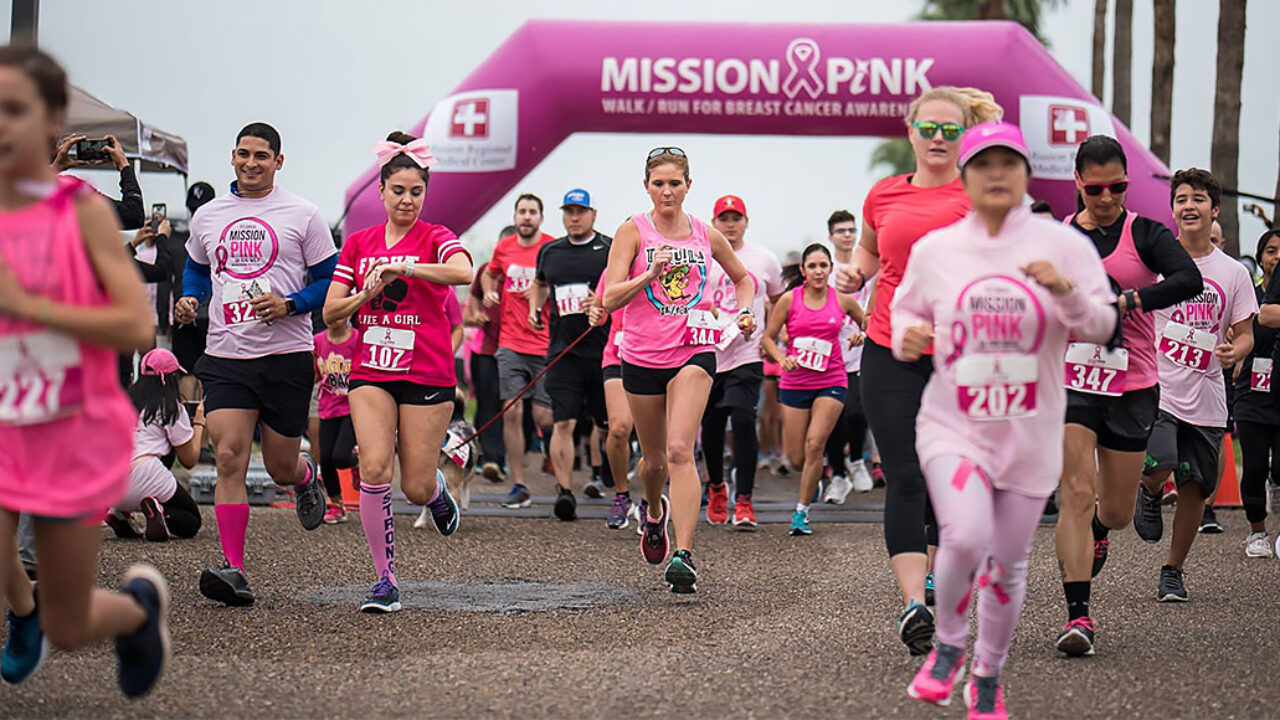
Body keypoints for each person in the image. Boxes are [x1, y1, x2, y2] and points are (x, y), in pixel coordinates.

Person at [896, 122, 1118, 718]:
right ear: (964, 177)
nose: (997, 174)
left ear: (1026, 174)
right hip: (954, 425)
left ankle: (987, 676)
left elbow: (1102, 326)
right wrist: (908, 337)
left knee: (1007, 563)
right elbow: (900, 315)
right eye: (984, 164)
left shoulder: (1063, 244)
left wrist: (1065, 290)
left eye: (1009, 163)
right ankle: (947, 647)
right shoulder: (937, 250)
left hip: (1029, 433)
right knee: (964, 536)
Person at [0, 44, 169, 696]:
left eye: (15, 110)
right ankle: (22, 612)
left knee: (73, 626)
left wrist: (32, 305)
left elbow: (134, 326)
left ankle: (137, 611)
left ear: (51, 124)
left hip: (67, 424)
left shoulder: (81, 212)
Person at [835, 86, 1004, 654]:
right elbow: (870, 252)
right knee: (905, 473)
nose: (937, 138)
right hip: (888, 350)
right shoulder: (883, 193)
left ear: (965, 135)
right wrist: (854, 275)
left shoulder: (980, 194)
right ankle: (914, 605)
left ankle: (943, 574)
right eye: (927, 128)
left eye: (949, 130)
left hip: (960, 357)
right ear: (909, 131)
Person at [175, 121, 337, 606]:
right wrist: (189, 297)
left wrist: (291, 303)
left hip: (286, 355)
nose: (251, 163)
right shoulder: (209, 215)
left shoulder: (303, 214)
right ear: (232, 157)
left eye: (261, 156)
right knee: (228, 457)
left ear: (278, 162)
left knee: (281, 466)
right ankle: (234, 569)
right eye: (243, 154)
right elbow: (196, 267)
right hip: (226, 355)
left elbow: (333, 279)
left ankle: (306, 476)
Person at [1051, 136, 1201, 656]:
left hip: (1133, 383)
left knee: (1111, 510)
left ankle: (1101, 525)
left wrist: (1133, 299)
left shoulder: (1147, 233)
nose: (1108, 197)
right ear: (1078, 183)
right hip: (1072, 380)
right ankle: (1079, 618)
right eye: (1096, 189)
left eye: (1118, 186)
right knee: (1074, 491)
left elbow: (1190, 278)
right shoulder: (1059, 237)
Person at [323, 131, 471, 613]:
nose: (407, 199)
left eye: (416, 191)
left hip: (427, 373)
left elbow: (463, 272)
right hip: (371, 371)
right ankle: (385, 579)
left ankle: (436, 493)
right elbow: (330, 314)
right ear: (382, 192)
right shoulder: (359, 244)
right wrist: (366, 294)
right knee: (373, 466)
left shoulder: (436, 237)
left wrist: (407, 269)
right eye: (398, 190)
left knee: (415, 485)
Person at [601, 147, 756, 594]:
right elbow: (610, 298)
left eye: (675, 183)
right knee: (652, 463)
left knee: (678, 451)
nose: (667, 191)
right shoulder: (632, 231)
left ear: (689, 185)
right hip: (642, 356)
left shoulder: (706, 234)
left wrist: (744, 311)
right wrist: (648, 275)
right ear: (646, 186)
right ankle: (654, 512)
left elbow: (743, 278)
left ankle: (684, 556)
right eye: (658, 183)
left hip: (695, 348)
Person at [1133, 169, 1256, 602]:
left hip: (1207, 393)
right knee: (1160, 460)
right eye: (1181, 198)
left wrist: (1235, 351)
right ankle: (1148, 491)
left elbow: (1245, 333)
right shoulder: (1154, 266)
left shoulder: (1232, 273)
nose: (1189, 205)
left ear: (1214, 209)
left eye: (1198, 198)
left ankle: (1173, 570)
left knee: (1197, 487)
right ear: (1172, 210)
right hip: (1160, 386)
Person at [761, 243, 864, 536]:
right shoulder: (790, 300)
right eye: (813, 266)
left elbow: (868, 320)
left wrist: (861, 334)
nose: (818, 271)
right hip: (795, 382)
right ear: (804, 271)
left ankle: (801, 512)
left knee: (815, 443)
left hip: (832, 379)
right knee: (796, 459)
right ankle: (813, 478)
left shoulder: (842, 300)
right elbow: (768, 338)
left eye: (823, 265)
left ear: (830, 269)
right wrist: (782, 358)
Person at [700, 195, 784, 527]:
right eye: (724, 219)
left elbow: (780, 298)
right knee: (712, 426)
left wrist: (771, 334)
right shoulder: (703, 257)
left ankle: (745, 499)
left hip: (746, 353)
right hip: (708, 351)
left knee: (744, 419)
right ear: (714, 223)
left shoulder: (763, 258)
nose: (730, 225)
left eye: (736, 218)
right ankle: (717, 487)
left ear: (746, 222)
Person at [529, 189, 613, 520]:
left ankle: (602, 472)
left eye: (580, 211)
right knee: (563, 421)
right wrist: (535, 308)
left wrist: (603, 301)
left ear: (593, 213)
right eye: (569, 211)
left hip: (603, 352)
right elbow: (539, 283)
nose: (574, 218)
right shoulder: (550, 251)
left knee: (604, 425)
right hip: (562, 353)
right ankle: (564, 492)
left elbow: (626, 287)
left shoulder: (608, 249)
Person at [482, 196, 555, 508]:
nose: (526, 217)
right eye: (522, 212)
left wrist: (544, 289)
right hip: (510, 342)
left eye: (532, 212)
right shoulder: (505, 247)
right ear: (516, 216)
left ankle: (555, 461)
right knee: (511, 411)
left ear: (541, 217)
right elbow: (490, 272)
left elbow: (567, 283)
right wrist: (488, 289)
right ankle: (518, 484)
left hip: (546, 342)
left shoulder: (552, 247)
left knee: (546, 417)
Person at [105, 349, 205, 542]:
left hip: (110, 478)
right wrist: (199, 423)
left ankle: (118, 512)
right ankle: (157, 509)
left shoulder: (124, 401)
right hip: (146, 472)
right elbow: (189, 460)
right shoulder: (171, 407)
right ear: (172, 377)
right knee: (191, 521)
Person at [823, 209, 875, 501]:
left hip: (863, 352)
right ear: (831, 236)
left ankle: (857, 459)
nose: (847, 235)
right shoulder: (825, 272)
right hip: (831, 354)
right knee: (834, 417)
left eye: (851, 230)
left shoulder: (868, 270)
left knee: (857, 411)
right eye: (841, 230)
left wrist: (866, 330)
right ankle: (838, 475)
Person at [467, 228, 513, 482]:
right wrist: (476, 315)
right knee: (488, 402)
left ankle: (504, 455)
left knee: (513, 408)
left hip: (518, 349)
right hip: (487, 349)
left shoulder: (524, 272)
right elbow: (474, 298)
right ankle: (491, 458)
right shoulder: (487, 269)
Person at [591, 274, 636, 530]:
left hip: (660, 356)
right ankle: (622, 495)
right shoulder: (613, 269)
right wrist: (595, 314)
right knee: (618, 429)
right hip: (617, 355)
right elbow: (601, 307)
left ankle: (652, 502)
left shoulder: (667, 260)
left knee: (655, 439)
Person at [1248, 230, 1280, 556]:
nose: (1276, 257)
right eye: (1271, 251)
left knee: (1279, 468)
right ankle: (1257, 534)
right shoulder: (1250, 294)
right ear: (1260, 257)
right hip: (1251, 389)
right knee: (1254, 464)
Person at [314, 314, 358, 525]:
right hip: (328, 407)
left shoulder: (357, 339)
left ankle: (356, 462)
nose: (336, 318)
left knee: (340, 456)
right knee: (326, 459)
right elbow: (314, 373)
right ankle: (337, 504)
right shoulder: (318, 341)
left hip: (353, 408)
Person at [52, 132, 145, 229]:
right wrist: (124, 165)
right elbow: (134, 216)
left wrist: (53, 168)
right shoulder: (70, 189)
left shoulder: (40, 194)